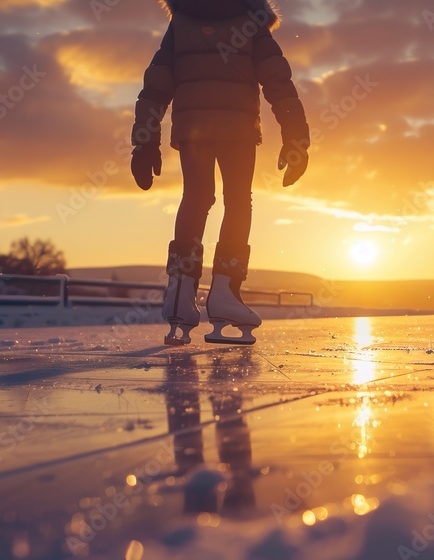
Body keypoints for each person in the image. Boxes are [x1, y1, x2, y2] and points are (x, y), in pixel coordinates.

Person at [131, 0, 310, 345]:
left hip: (194, 127)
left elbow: (156, 85)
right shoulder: (252, 20)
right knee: (238, 201)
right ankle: (226, 293)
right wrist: (296, 137)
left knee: (196, 198)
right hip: (238, 128)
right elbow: (278, 80)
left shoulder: (181, 21)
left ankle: (180, 294)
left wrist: (144, 142)